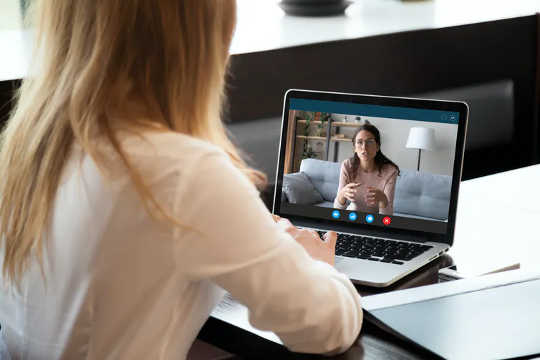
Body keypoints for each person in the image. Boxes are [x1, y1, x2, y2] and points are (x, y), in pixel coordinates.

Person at [0, 1, 362, 359]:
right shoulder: (182, 173)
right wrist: (315, 265)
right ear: (199, 38)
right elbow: (324, 327)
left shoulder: (31, 148)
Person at [334, 123, 399, 215]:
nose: (364, 147)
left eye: (369, 142)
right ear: (354, 148)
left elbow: (387, 218)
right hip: (352, 216)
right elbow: (336, 212)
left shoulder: (390, 171)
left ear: (377, 147)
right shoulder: (347, 165)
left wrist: (383, 200)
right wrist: (342, 194)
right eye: (360, 142)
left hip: (374, 221)